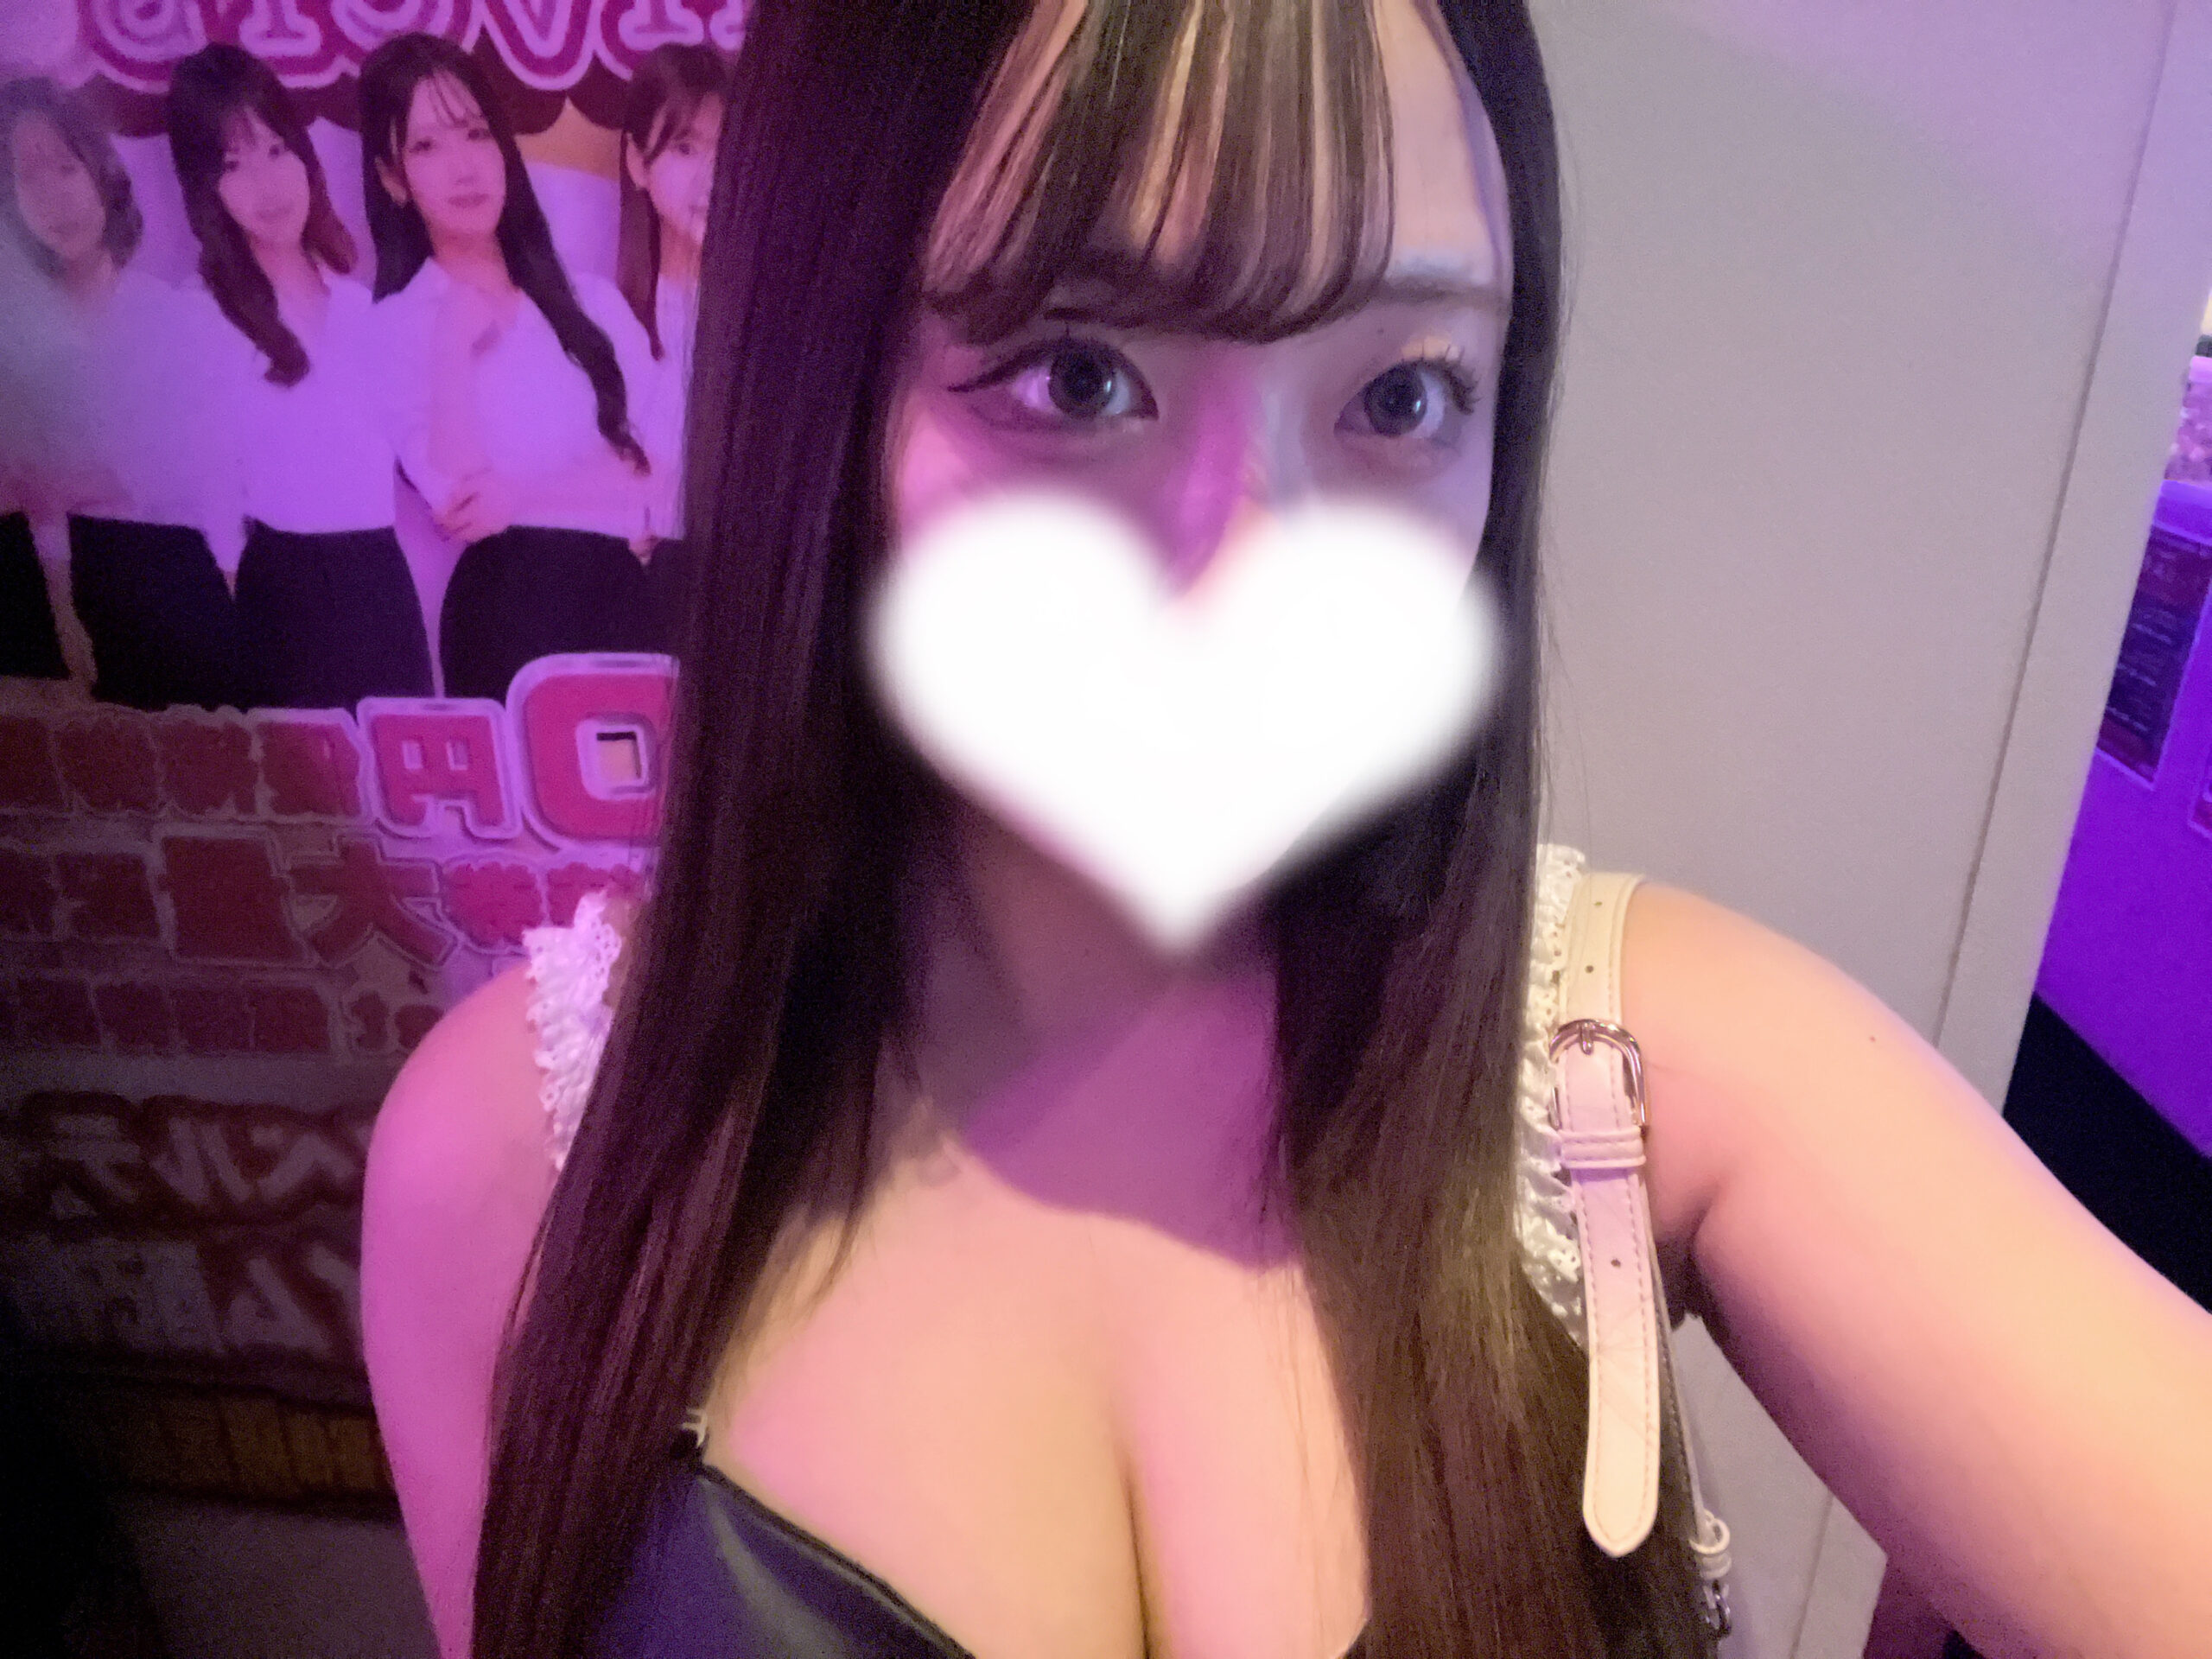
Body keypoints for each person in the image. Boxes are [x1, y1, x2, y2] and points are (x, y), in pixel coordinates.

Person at [362, 3, 2212, 1658]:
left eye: (1402, 395)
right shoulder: (509, 1172)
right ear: (819, 396)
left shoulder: (1654, 1076)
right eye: (1077, 375)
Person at [359, 33, 657, 705]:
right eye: (427, 147)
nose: (464, 167)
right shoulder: (394, 328)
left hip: (624, 603)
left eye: (475, 134)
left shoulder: (593, 305)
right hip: (506, 618)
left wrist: (522, 496)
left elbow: (656, 475)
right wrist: (450, 346)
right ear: (392, 178)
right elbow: (461, 500)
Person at [166, 43, 435, 711]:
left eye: (275, 149)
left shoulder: (362, 307)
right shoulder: (202, 316)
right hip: (279, 591)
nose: (266, 184)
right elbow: (210, 488)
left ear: (304, 154)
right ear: (205, 188)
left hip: (382, 585)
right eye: (233, 164)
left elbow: (421, 455)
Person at [0, 77, 236, 710]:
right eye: (28, 180)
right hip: (40, 601)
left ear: (100, 173)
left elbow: (201, 472)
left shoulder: (175, 318)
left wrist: (66, 484)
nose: (56, 198)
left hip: (167, 590)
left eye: (66, 168)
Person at [614, 42, 725, 651]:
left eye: (727, 150)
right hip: (646, 597)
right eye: (685, 148)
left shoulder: (777, 326)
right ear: (637, 161)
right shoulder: (603, 320)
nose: (711, 177)